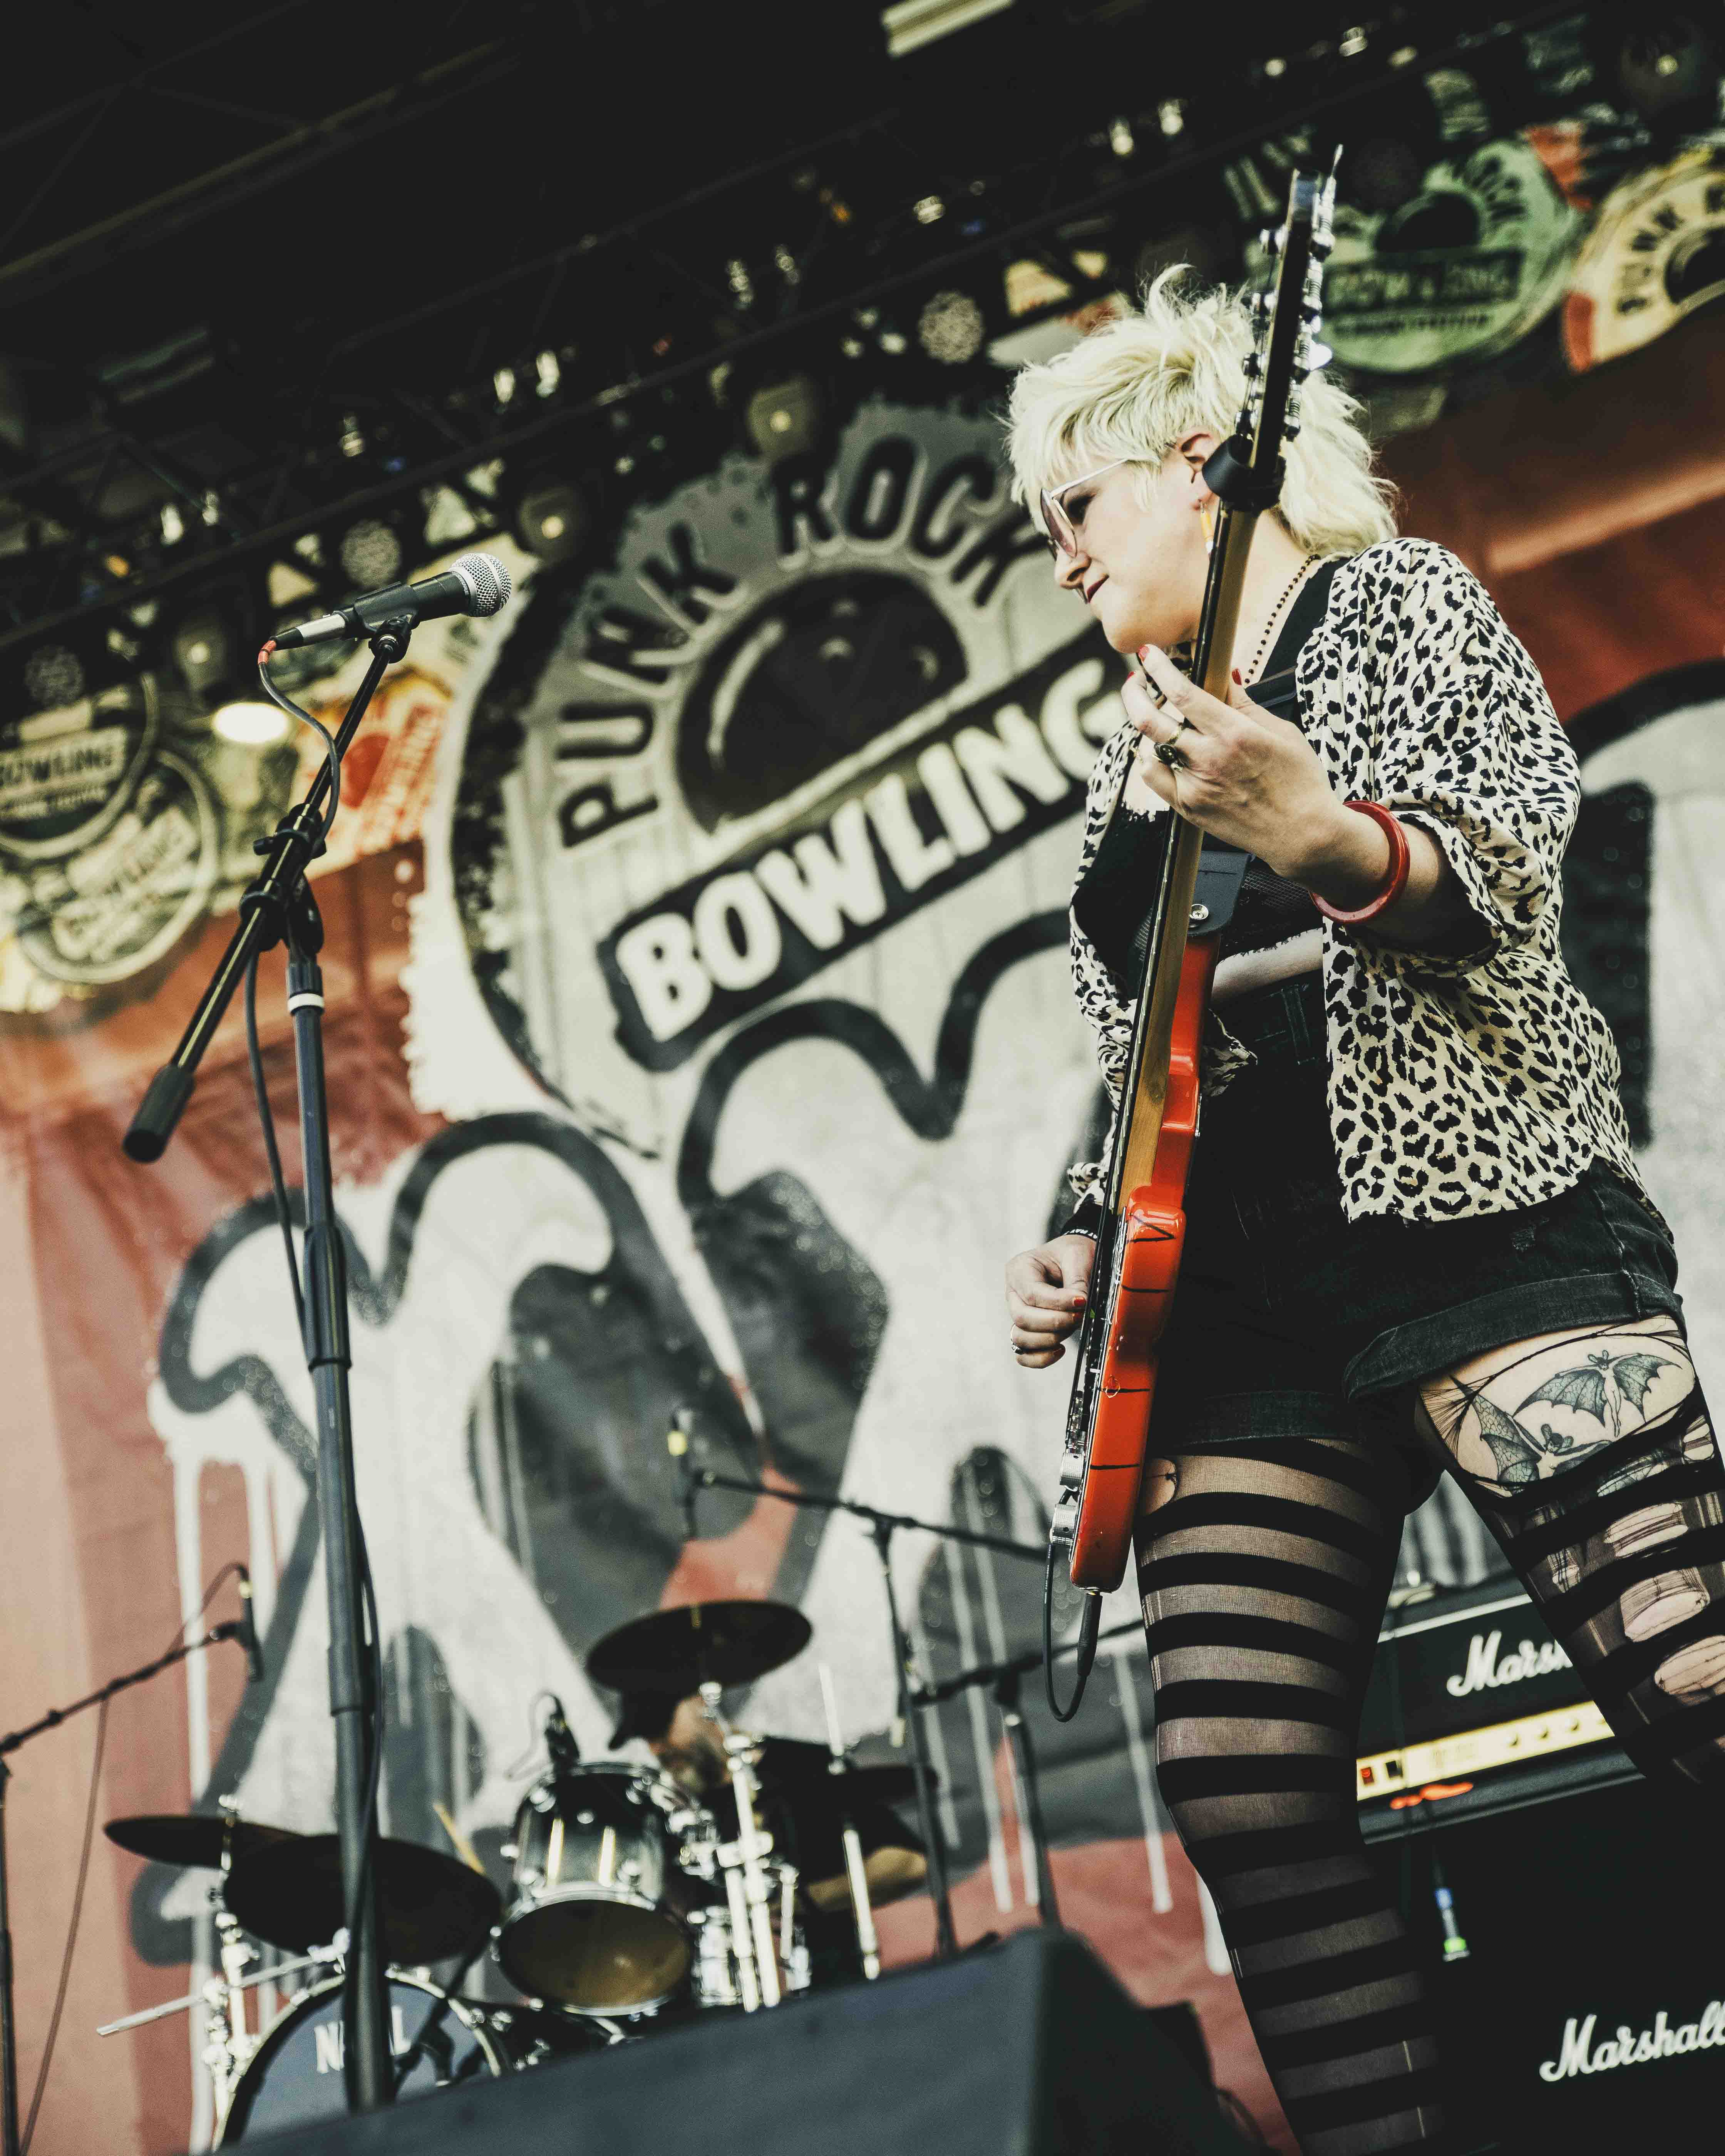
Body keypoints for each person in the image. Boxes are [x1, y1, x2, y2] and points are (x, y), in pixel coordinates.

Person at [1000, 271, 1725, 2155]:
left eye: (1074, 505)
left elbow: (1499, 863)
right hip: (1235, 1296)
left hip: (1472, 1214)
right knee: (1243, 1788)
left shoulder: (1387, 602)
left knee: (1695, 1677)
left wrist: (1321, 833)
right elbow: (1153, 1037)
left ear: (1197, 460)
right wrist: (1087, 1216)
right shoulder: (1139, 747)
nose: (1057, 553)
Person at [610, 1689, 926, 1981]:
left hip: (822, 1983)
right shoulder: (666, 1810)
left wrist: (786, 1905)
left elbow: (908, 1864)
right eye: (645, 1738)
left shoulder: (800, 1766)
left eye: (660, 1729)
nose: (657, 1748)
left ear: (701, 1703)